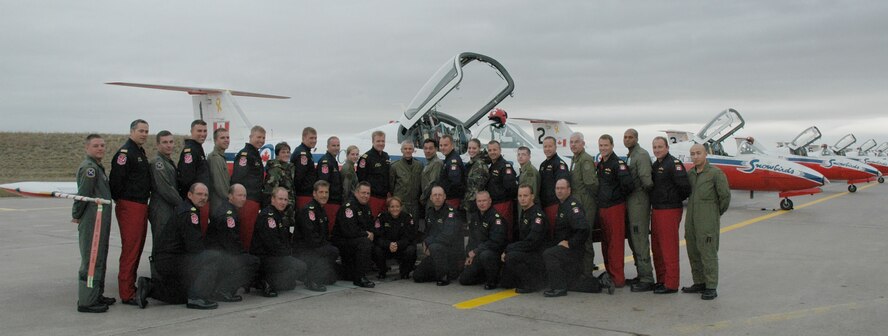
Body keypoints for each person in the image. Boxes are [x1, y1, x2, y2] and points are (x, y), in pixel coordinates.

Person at [137, 183, 221, 310]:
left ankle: (149, 287)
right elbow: (194, 246)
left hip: (166, 260)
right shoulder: (190, 213)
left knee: (180, 296)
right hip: (172, 260)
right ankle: (196, 298)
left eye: (205, 195)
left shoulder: (186, 208)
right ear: (189, 195)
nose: (203, 197)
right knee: (213, 257)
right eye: (199, 194)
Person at [109, 119, 152, 305]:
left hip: (140, 204)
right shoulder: (125, 153)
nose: (144, 134)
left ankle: (130, 288)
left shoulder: (139, 152)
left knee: (137, 247)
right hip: (130, 205)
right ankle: (126, 293)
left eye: (146, 131)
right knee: (131, 250)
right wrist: (124, 202)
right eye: (141, 130)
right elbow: (116, 182)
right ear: (132, 131)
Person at [682, 144, 730, 300]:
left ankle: (711, 286)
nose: (695, 156)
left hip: (707, 220)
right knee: (693, 251)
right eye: (692, 154)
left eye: (698, 153)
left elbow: (725, 198)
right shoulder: (691, 174)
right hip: (691, 220)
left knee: (708, 252)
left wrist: (714, 214)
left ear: (705, 154)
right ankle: (699, 282)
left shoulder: (716, 174)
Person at [73, 134, 114, 313]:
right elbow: (83, 195)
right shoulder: (89, 169)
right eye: (96, 145)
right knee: (91, 259)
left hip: (100, 219)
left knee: (99, 258)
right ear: (87, 148)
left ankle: (96, 294)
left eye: (102, 145)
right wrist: (76, 215)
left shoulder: (98, 167)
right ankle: (87, 301)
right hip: (92, 220)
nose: (100, 148)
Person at [649, 136, 691, 294]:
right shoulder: (657, 165)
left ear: (667, 147)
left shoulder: (674, 164)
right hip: (658, 209)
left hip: (669, 210)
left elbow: (685, 188)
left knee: (669, 247)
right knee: (658, 247)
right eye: (655, 147)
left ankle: (671, 284)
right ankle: (661, 279)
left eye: (660, 146)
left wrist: (672, 198)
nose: (657, 150)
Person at [250, 187, 308, 297]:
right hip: (265, 257)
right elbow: (272, 244)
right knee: (300, 266)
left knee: (289, 284)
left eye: (285, 200)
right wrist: (288, 255)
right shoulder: (269, 216)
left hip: (274, 255)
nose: (283, 202)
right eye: (280, 199)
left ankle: (271, 281)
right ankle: (264, 281)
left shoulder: (278, 214)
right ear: (272, 199)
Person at [207, 184, 260, 302]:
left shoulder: (228, 209)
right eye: (239, 195)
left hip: (218, 253)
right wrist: (244, 254)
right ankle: (224, 290)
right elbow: (231, 242)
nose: (243, 198)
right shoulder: (228, 214)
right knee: (252, 262)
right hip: (219, 255)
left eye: (245, 196)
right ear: (230, 196)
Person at [542, 179, 592, 297]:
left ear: (569, 190)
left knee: (549, 254)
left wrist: (570, 243)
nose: (559, 191)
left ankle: (559, 288)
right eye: (557, 188)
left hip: (574, 250)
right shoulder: (563, 204)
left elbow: (584, 229)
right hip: (565, 248)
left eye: (562, 188)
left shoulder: (572, 206)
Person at [596, 134, 634, 288]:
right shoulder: (602, 164)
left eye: (606, 145)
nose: (603, 148)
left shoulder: (618, 164)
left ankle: (618, 279)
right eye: (601, 145)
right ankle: (610, 274)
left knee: (615, 244)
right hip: (603, 208)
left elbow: (628, 185)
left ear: (612, 146)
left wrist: (616, 196)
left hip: (615, 208)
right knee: (605, 243)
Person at [623, 128, 656, 292]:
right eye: (625, 137)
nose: (627, 140)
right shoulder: (631, 155)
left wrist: (641, 195)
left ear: (636, 139)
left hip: (639, 201)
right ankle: (641, 274)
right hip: (632, 201)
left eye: (630, 137)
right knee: (633, 239)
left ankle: (647, 278)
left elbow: (647, 181)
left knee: (639, 238)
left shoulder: (640, 155)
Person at [500, 184, 547, 293]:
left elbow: (532, 242)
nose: (522, 198)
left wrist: (509, 249)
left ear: (532, 196)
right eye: (520, 196)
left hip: (538, 254)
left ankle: (531, 284)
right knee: (505, 283)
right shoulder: (525, 213)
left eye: (525, 195)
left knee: (511, 256)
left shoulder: (537, 216)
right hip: (527, 252)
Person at [294, 180, 340, 292]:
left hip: (316, 246)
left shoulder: (321, 210)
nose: (324, 195)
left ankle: (312, 275)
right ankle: (311, 280)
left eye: (326, 192)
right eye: (321, 192)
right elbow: (310, 238)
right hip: (305, 250)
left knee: (332, 278)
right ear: (314, 193)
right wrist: (327, 246)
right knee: (333, 251)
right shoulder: (309, 211)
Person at [413, 186, 462, 286]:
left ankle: (444, 276)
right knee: (417, 276)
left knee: (435, 246)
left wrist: (428, 242)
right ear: (431, 197)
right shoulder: (430, 212)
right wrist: (425, 242)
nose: (437, 197)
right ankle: (444, 272)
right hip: (436, 254)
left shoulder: (451, 213)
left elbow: (447, 236)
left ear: (444, 197)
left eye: (440, 195)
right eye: (435, 195)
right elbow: (427, 232)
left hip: (450, 254)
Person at [148, 131, 183, 272]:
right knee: (160, 243)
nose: (169, 145)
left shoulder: (168, 161)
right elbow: (165, 189)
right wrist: (182, 204)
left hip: (169, 208)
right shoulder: (158, 163)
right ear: (158, 145)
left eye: (171, 142)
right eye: (165, 142)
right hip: (161, 208)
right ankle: (157, 278)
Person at [458, 191, 506, 290]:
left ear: (490, 201)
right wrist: (468, 254)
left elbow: (495, 242)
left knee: (486, 254)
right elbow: (472, 238)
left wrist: (475, 251)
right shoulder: (475, 217)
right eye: (479, 201)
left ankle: (493, 280)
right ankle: (483, 275)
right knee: (464, 280)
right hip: (478, 254)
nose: (482, 203)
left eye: (484, 200)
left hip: (492, 255)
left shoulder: (496, 218)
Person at [568, 132, 600, 279]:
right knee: (579, 237)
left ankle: (587, 273)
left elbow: (591, 184)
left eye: (576, 142)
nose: (573, 145)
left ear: (583, 143)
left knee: (586, 238)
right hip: (578, 203)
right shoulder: (575, 159)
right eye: (571, 142)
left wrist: (589, 200)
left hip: (586, 203)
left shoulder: (585, 160)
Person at [332, 182, 376, 288]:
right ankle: (359, 278)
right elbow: (350, 231)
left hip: (355, 240)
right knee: (365, 242)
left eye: (368, 193)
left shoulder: (366, 207)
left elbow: (371, 225)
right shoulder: (349, 207)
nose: (366, 196)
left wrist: (372, 233)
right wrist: (366, 234)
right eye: (363, 193)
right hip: (343, 242)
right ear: (356, 192)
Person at [230, 125, 266, 251]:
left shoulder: (255, 154)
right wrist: (241, 198)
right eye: (258, 137)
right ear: (251, 137)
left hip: (254, 199)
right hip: (247, 200)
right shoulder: (245, 155)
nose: (261, 140)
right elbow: (238, 178)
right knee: (245, 232)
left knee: (250, 232)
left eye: (263, 138)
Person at [371, 197, 418, 280]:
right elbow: (378, 236)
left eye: (397, 206)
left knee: (411, 249)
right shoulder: (382, 217)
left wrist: (398, 244)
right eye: (392, 207)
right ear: (388, 208)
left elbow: (409, 237)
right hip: (387, 247)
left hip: (401, 247)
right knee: (376, 249)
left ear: (401, 207)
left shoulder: (407, 217)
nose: (395, 209)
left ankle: (404, 272)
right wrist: (388, 244)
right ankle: (382, 271)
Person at [177, 120, 210, 226]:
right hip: (195, 201)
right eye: (199, 131)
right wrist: (195, 197)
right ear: (192, 131)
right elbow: (187, 178)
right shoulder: (190, 151)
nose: (203, 134)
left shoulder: (198, 148)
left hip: (201, 199)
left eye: (205, 131)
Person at [485, 140, 517, 239]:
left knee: (504, 229)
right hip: (494, 204)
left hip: (503, 204)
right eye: (490, 150)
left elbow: (511, 188)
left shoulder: (505, 166)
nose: (492, 152)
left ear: (500, 150)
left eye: (495, 149)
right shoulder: (493, 165)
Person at [356, 131, 391, 217]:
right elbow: (361, 179)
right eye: (378, 141)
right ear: (373, 142)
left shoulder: (386, 156)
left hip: (384, 198)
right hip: (372, 198)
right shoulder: (366, 158)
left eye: (383, 141)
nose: (381, 143)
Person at [538, 136, 570, 227]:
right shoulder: (543, 165)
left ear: (555, 147)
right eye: (545, 146)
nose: (547, 149)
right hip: (544, 205)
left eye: (550, 146)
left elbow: (563, 186)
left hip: (554, 205)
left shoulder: (559, 164)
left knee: (554, 231)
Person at [263, 142, 295, 228]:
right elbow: (271, 191)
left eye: (288, 152)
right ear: (277, 154)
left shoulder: (289, 168)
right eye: (283, 152)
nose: (286, 154)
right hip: (278, 210)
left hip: (288, 209)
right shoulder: (275, 169)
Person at [389, 140, 423, 220]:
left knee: (414, 227)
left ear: (413, 150)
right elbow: (391, 185)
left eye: (410, 149)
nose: (408, 151)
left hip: (414, 204)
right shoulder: (395, 166)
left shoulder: (419, 165)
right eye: (405, 148)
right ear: (401, 150)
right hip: (400, 204)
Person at [317, 136, 343, 229]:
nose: (336, 148)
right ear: (328, 146)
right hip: (330, 202)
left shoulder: (333, 161)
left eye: (338, 145)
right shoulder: (326, 161)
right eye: (333, 145)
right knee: (330, 227)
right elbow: (323, 183)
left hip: (335, 201)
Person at [463, 138, 489, 224]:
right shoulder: (472, 163)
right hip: (470, 202)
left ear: (479, 148)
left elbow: (477, 189)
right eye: (469, 148)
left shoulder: (479, 165)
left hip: (475, 204)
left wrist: (468, 204)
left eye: (474, 148)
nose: (471, 150)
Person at [291, 127, 318, 209]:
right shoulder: (303, 154)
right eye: (311, 138)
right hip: (303, 195)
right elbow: (299, 176)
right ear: (303, 138)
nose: (314, 140)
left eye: (315, 138)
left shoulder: (306, 152)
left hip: (305, 194)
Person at [438, 135, 466, 210]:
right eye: (441, 145)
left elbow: (455, 183)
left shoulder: (453, 160)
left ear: (452, 146)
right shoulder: (449, 158)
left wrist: (444, 194)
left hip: (452, 199)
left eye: (445, 145)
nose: (442, 148)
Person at [208, 127, 231, 216]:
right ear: (215, 140)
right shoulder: (215, 158)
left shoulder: (220, 157)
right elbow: (219, 185)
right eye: (222, 138)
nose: (226, 140)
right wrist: (229, 199)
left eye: (227, 137)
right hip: (219, 204)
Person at [419, 139, 443, 211]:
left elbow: (433, 182)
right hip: (428, 199)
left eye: (430, 148)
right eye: (425, 148)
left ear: (436, 149)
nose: (428, 151)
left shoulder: (436, 163)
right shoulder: (429, 162)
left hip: (432, 200)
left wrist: (422, 197)